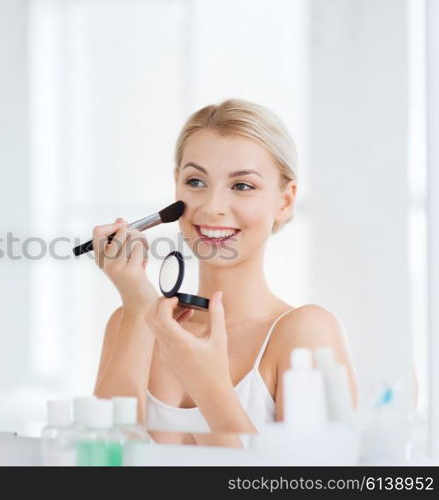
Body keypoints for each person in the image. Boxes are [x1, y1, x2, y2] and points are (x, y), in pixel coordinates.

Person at [92, 99, 358, 444]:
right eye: (196, 182)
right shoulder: (130, 320)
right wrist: (136, 305)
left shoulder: (304, 332)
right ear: (176, 186)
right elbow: (100, 470)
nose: (212, 207)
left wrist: (206, 384)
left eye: (242, 186)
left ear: (286, 200)